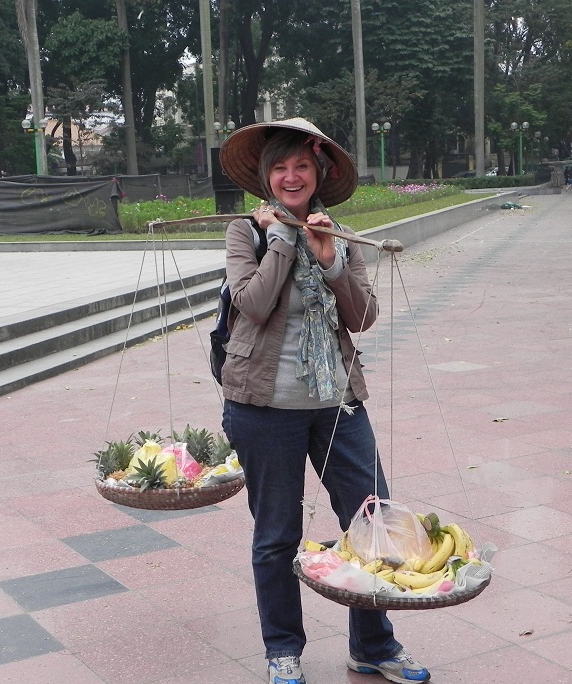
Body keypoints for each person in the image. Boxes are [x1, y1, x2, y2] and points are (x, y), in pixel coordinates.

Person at [218, 118, 431, 684]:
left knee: (370, 521)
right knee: (276, 536)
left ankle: (374, 646)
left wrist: (331, 257)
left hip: (338, 404)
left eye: (302, 166)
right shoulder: (246, 233)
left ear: (318, 173)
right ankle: (282, 649)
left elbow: (361, 317)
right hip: (263, 407)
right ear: (266, 177)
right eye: (280, 168)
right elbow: (253, 305)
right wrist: (282, 240)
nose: (291, 177)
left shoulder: (339, 233)